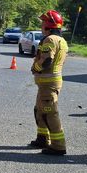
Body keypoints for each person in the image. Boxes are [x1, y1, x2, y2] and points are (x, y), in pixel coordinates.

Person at [29, 10, 69, 155]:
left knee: (49, 112)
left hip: (48, 83)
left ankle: (58, 145)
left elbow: (47, 60)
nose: (41, 26)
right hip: (49, 83)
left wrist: (35, 68)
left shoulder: (50, 40)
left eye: (43, 23)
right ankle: (42, 138)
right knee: (39, 110)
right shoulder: (61, 40)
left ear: (48, 25)